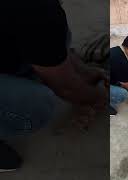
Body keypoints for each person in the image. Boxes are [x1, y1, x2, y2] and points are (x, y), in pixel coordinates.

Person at [0, 0, 107, 172]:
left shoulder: (42, 12)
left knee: (60, 32)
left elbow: (49, 38)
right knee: (36, 106)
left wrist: (82, 70)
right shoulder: (34, 9)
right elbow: (66, 88)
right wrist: (100, 97)